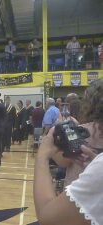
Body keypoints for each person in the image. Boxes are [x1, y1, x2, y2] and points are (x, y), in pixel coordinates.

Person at [34, 78, 103, 225]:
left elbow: (47, 217)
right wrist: (95, 162)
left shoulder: (83, 129)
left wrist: (43, 155)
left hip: (75, 202)